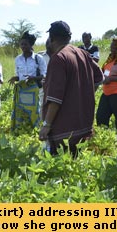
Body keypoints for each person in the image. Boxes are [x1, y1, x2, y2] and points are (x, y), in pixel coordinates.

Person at [39, 21, 104, 158]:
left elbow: (55, 98)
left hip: (64, 129)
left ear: (51, 38)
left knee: (61, 170)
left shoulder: (59, 58)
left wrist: (46, 125)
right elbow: (99, 78)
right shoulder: (82, 53)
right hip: (84, 125)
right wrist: (83, 94)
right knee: (78, 168)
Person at [8, 31, 47, 131]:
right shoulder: (18, 59)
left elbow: (44, 75)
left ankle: (34, 131)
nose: (23, 46)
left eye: (25, 44)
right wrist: (14, 78)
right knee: (21, 112)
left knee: (34, 112)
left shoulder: (38, 58)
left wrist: (33, 78)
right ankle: (21, 131)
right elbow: (19, 75)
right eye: (21, 44)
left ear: (31, 45)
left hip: (34, 91)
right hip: (22, 91)